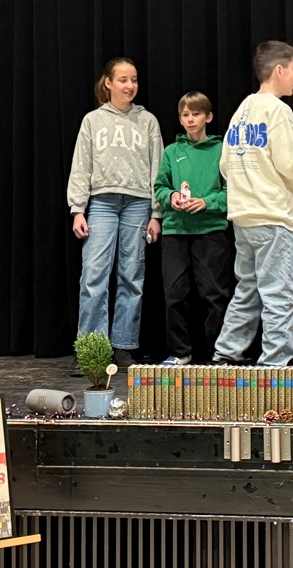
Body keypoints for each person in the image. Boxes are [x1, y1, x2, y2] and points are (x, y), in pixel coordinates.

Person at [213, 41, 293, 368]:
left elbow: (224, 165)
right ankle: (273, 367)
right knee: (282, 294)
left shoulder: (242, 109)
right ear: (279, 70)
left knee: (248, 290)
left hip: (243, 217)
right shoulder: (279, 110)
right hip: (272, 216)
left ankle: (225, 355)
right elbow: (291, 164)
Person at [67, 57, 163, 367]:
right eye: (123, 80)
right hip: (102, 203)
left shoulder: (147, 121)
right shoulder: (93, 121)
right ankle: (91, 349)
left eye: (134, 80)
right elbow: (81, 166)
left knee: (131, 275)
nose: (130, 86)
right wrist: (78, 209)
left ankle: (123, 345)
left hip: (138, 203)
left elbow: (158, 168)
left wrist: (156, 214)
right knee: (94, 274)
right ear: (108, 83)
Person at [154, 91, 233, 365]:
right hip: (176, 232)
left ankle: (218, 353)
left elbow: (232, 192)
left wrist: (206, 202)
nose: (190, 119)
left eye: (196, 114)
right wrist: (172, 196)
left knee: (214, 294)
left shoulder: (221, 150)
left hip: (211, 231)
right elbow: (160, 187)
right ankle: (181, 352)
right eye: (185, 115)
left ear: (208, 117)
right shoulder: (172, 152)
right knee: (175, 295)